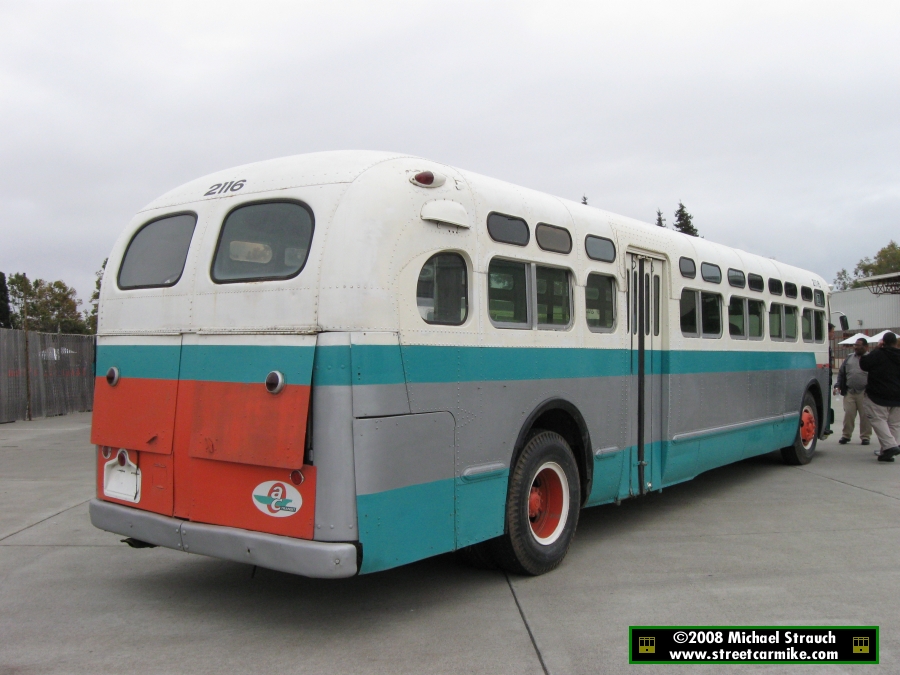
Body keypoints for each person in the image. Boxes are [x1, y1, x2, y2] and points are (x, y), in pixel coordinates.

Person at [859, 331, 900, 462]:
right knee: (894, 424)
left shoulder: (878, 354)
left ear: (883, 342)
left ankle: (890, 446)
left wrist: (877, 348)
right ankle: (887, 451)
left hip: (878, 395)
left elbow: (864, 364)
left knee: (878, 420)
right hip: (897, 397)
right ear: (896, 343)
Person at [834, 337, 872, 445]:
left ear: (866, 347)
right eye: (855, 345)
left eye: (858, 345)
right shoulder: (849, 358)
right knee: (849, 414)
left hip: (864, 393)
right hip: (850, 391)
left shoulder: (870, 358)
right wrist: (838, 385)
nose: (856, 347)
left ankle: (865, 437)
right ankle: (846, 436)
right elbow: (841, 373)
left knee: (865, 416)